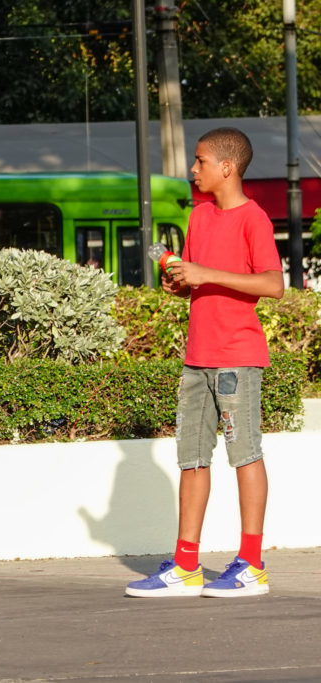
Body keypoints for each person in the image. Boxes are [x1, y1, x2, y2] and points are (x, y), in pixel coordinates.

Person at [126, 127, 284, 598]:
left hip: (238, 360)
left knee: (245, 455)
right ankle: (186, 566)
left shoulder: (253, 219)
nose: (193, 169)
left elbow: (273, 284)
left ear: (227, 167)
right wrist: (182, 281)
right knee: (192, 460)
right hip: (198, 359)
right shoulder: (199, 217)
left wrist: (205, 274)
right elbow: (199, 280)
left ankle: (251, 565)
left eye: (200, 161)